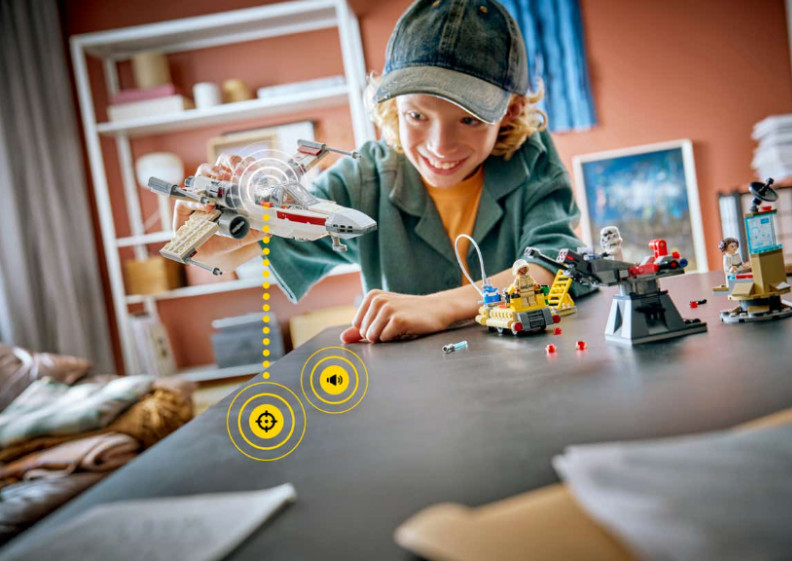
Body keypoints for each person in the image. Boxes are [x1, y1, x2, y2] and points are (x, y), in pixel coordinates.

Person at [174, 0, 592, 344]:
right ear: (392, 106)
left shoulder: (531, 159)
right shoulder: (363, 178)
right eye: (416, 115)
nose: (440, 147)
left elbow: (556, 265)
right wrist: (213, 236)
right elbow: (248, 246)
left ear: (510, 111)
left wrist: (439, 307)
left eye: (469, 119)